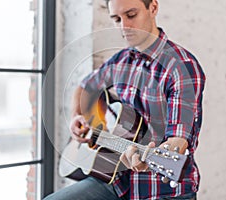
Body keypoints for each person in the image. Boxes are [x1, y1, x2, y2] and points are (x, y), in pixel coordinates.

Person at [44, 0, 205, 199]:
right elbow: (85, 88)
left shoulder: (182, 67)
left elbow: (178, 142)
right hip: (116, 181)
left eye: (131, 15)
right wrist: (77, 117)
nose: (124, 27)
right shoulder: (120, 61)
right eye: (116, 19)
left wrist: (149, 158)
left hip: (162, 190)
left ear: (153, 8)